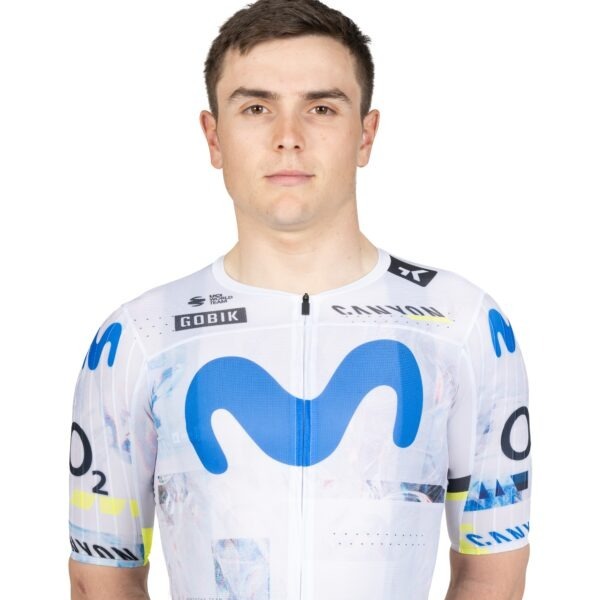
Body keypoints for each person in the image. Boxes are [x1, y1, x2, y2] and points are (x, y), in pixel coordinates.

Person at [67, 0, 531, 598]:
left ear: (365, 134)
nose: (288, 138)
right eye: (256, 108)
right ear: (214, 136)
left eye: (321, 108)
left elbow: (492, 574)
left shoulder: (463, 325)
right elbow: (100, 579)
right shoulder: (138, 338)